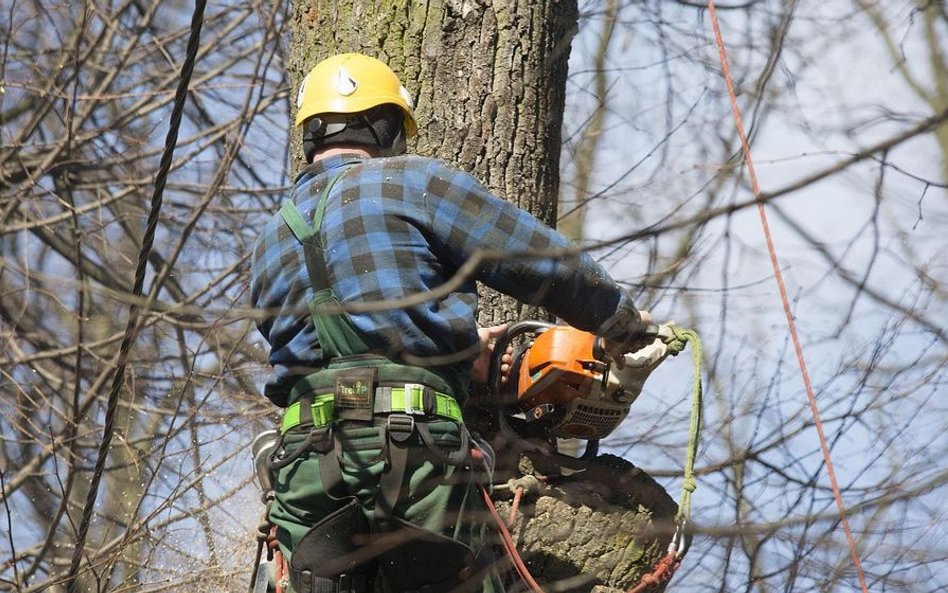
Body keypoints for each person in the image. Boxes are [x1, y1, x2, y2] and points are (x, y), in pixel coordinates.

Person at [249, 52, 652, 593]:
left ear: (311, 135)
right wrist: (619, 321)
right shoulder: (412, 182)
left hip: (305, 460)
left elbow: (335, 340)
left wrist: (456, 348)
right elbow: (536, 260)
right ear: (390, 127)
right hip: (414, 448)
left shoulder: (271, 240)